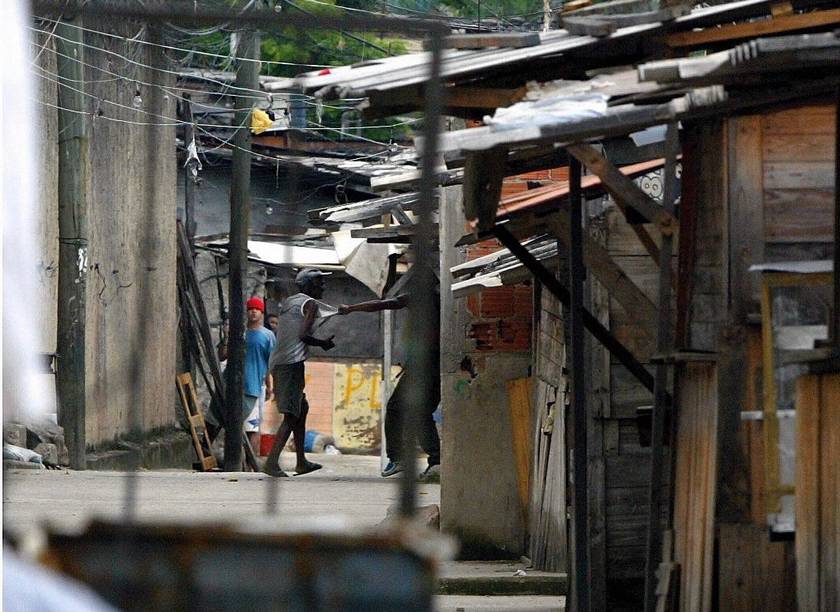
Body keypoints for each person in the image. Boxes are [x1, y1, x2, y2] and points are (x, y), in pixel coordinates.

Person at [338, 275, 440, 479]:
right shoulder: (440, 300)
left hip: (424, 366)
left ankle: (398, 458)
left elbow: (382, 304)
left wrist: (351, 308)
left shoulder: (418, 298)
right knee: (422, 412)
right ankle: (436, 460)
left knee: (395, 408)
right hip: (439, 365)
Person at [263, 268, 336, 477]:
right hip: (291, 363)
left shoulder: (289, 302)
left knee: (301, 408)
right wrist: (322, 343)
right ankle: (271, 462)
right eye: (319, 282)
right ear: (308, 285)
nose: (323, 286)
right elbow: (303, 335)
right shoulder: (310, 303)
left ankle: (301, 461)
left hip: (279, 362)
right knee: (291, 414)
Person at [243, 297, 275, 451]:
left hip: (256, 387)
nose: (253, 311)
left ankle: (251, 463)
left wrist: (269, 386)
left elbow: (270, 363)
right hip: (238, 387)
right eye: (251, 309)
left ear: (261, 313)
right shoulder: (240, 334)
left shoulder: (267, 336)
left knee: (253, 427)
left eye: (257, 309)